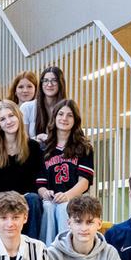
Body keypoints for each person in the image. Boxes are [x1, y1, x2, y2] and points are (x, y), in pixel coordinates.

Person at [0, 100, 44, 239]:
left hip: (24, 199)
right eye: (3, 119)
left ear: (18, 117)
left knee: (33, 200)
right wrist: (0, 197)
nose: (8, 121)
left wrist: (19, 198)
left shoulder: (33, 147)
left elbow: (37, 183)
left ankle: (30, 250)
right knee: (2, 208)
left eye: (11, 116)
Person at [37, 99, 94, 243]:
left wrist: (67, 195)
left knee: (63, 208)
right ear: (54, 117)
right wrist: (45, 193)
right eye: (60, 114)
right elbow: (40, 184)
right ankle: (47, 252)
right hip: (51, 199)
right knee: (48, 208)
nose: (64, 118)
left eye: (70, 115)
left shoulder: (84, 147)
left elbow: (84, 182)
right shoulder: (44, 148)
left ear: (75, 120)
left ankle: (64, 250)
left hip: (72, 199)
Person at [21, 66, 67, 141]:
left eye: (54, 80)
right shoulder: (27, 107)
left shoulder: (67, 109)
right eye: (45, 80)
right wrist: (36, 139)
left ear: (60, 83)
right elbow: (22, 140)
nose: (49, 84)